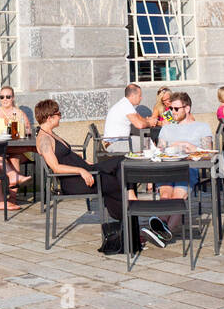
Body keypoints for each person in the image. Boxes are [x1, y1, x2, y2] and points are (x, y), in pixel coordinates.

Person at [35, 99, 145, 255]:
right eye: (58, 113)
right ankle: (129, 214)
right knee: (116, 183)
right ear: (49, 117)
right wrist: (80, 170)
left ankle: (130, 202)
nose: (61, 116)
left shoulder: (50, 133)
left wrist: (79, 159)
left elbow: (64, 155)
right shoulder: (45, 139)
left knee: (122, 161)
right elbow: (55, 167)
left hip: (86, 169)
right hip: (75, 181)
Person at [155, 92, 214, 237]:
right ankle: (160, 229)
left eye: (176, 109)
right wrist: (170, 147)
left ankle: (162, 231)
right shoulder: (167, 128)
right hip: (168, 168)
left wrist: (192, 147)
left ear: (186, 109)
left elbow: (209, 153)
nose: (172, 113)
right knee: (165, 195)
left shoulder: (201, 127)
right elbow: (159, 151)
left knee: (178, 196)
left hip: (188, 169)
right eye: (171, 109)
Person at [0, 85, 32, 193]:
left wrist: (22, 128)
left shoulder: (19, 113)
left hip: (17, 149)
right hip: (0, 149)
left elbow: (29, 131)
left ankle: (12, 198)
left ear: (13, 98)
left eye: (8, 96)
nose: (5, 99)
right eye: (2, 97)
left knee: (14, 158)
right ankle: (2, 198)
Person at [103, 83, 157, 151]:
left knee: (146, 141)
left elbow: (139, 118)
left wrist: (148, 120)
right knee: (147, 143)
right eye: (139, 96)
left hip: (117, 141)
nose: (141, 98)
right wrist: (149, 123)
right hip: (115, 143)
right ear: (132, 95)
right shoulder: (125, 105)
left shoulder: (125, 103)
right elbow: (139, 125)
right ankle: (156, 159)